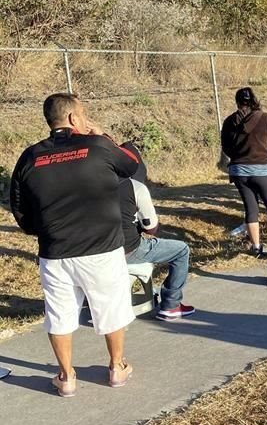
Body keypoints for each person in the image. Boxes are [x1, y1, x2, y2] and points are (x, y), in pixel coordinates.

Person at [10, 93, 140, 396]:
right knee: (111, 308)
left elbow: (18, 205)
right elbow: (131, 164)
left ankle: (66, 376)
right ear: (72, 119)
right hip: (102, 248)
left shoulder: (30, 156)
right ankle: (116, 367)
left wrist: (37, 229)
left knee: (59, 313)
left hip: (55, 252)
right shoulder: (97, 146)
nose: (85, 118)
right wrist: (103, 136)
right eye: (82, 113)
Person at [118, 142, 195, 321]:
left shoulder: (84, 185)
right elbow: (151, 228)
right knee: (181, 250)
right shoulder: (134, 187)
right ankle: (171, 305)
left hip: (95, 249)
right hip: (128, 249)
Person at [221, 87, 267, 256]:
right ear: (255, 100)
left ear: (237, 102)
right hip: (264, 169)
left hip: (239, 170)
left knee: (250, 208)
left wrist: (238, 157)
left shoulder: (229, 121)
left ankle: (256, 246)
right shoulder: (266, 118)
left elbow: (226, 147)